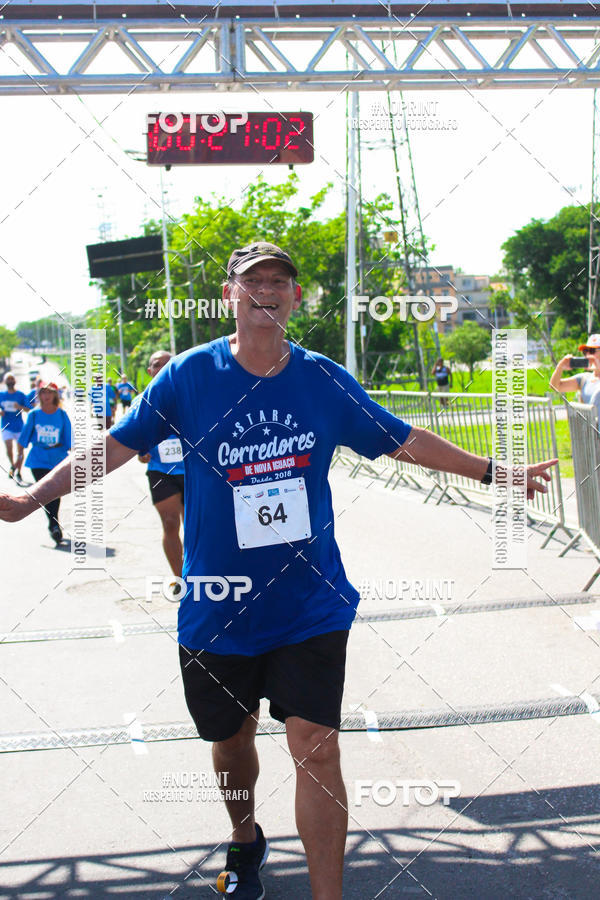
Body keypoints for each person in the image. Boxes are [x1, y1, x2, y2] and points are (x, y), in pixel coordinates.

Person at [0, 241, 557, 900]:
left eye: (280, 282)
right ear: (233, 295)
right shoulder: (186, 376)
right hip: (218, 607)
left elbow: (401, 438)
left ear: (295, 297)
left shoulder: (321, 378)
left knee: (318, 751)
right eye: (253, 281)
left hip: (310, 602)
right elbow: (117, 446)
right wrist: (34, 498)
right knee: (232, 744)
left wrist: (499, 472)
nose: (268, 290)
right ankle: (244, 837)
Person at [137, 351, 185, 577]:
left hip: (193, 471)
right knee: (169, 522)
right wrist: (141, 450)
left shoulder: (191, 396)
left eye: (168, 364)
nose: (163, 368)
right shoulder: (142, 402)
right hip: (161, 471)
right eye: (157, 365)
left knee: (196, 528)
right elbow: (134, 436)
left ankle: (198, 572)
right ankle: (180, 579)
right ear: (150, 371)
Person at [14, 381, 72, 545]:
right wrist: (18, 457)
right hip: (38, 458)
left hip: (57, 458)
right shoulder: (34, 414)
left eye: (49, 392)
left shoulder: (61, 415)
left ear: (55, 395)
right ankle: (54, 524)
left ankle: (54, 522)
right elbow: (24, 438)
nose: (46, 396)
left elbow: (69, 441)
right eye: (43, 392)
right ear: (39, 395)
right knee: (45, 492)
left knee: (55, 492)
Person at [550, 334, 600, 418]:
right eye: (585, 352)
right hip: (592, 430)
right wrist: (560, 367)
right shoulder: (584, 379)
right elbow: (555, 386)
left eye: (591, 351)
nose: (587, 355)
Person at [0, 372, 29, 482]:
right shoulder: (1, 395)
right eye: (8, 379)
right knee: (8, 448)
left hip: (19, 427)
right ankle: (12, 465)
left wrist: (19, 406)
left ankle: (19, 471)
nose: (10, 381)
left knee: (20, 452)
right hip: (6, 426)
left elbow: (29, 409)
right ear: (5, 381)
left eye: (12, 378)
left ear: (15, 381)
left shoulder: (20, 395)